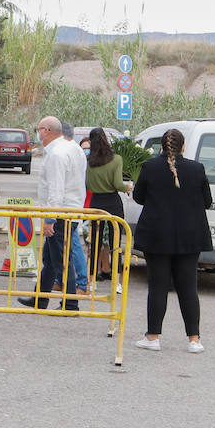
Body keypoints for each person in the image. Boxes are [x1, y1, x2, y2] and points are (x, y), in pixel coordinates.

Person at [132, 128, 212, 353]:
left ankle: (153, 337)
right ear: (183, 147)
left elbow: (138, 197)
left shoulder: (150, 167)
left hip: (157, 236)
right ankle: (194, 340)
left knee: (158, 287)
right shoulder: (197, 169)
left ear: (161, 147)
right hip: (190, 237)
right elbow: (207, 201)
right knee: (188, 288)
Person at [18, 116, 89, 310]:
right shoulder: (73, 148)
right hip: (70, 210)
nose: (38, 134)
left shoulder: (57, 154)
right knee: (50, 260)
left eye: (38, 129)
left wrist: (50, 218)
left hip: (60, 214)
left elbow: (56, 189)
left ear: (46, 131)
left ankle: (71, 303)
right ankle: (40, 298)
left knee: (62, 260)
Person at [85, 127, 130, 280]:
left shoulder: (89, 161)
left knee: (95, 242)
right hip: (112, 202)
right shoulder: (116, 159)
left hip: (96, 202)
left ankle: (91, 279)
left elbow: (88, 185)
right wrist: (127, 187)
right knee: (115, 242)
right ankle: (116, 280)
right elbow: (118, 184)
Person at [60, 121, 90, 296]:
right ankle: (59, 280)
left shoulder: (66, 151)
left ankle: (81, 282)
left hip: (67, 206)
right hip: (74, 203)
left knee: (74, 245)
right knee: (65, 245)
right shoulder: (77, 150)